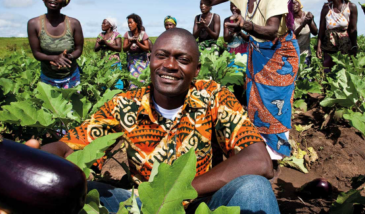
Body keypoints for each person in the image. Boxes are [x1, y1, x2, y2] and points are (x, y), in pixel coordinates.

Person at [26, 29, 279, 214]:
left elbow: (259, 160)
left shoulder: (213, 95)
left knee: (254, 187)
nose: (169, 65)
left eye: (182, 59)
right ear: (150, 61)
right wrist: (33, 161)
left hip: (202, 205)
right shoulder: (125, 104)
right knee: (76, 194)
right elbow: (70, 145)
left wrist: (174, 193)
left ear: (197, 69)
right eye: (162, 56)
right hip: (144, 207)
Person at [182, 0, 299, 163]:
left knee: (275, 106)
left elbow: (271, 30)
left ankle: (274, 160)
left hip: (280, 54)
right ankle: (261, 155)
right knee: (255, 104)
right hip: (258, 52)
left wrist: (245, 24)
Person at [28, 0, 83, 89]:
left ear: (63, 1)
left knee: (72, 106)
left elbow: (79, 49)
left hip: (71, 76)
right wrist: (54, 58)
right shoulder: (34, 24)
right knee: (51, 106)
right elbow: (36, 53)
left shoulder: (73, 23)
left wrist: (69, 57)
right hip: (48, 78)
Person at [316, 0, 358, 71]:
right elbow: (321, 28)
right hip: (329, 42)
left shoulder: (351, 7)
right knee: (327, 66)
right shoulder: (326, 8)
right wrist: (319, 46)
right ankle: (328, 85)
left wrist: (354, 46)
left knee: (344, 68)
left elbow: (352, 29)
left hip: (344, 42)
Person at [122, 13, 150, 88]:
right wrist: (131, 43)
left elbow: (147, 48)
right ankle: (133, 95)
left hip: (142, 61)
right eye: (128, 23)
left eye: (131, 22)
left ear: (136, 23)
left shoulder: (143, 34)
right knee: (133, 80)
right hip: (132, 61)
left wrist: (137, 43)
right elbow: (124, 49)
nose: (129, 25)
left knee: (143, 80)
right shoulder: (127, 34)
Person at [94, 18, 124, 89]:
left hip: (114, 62)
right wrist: (101, 44)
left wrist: (106, 43)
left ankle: (117, 96)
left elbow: (119, 48)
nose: (102, 25)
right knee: (105, 80)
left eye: (104, 23)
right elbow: (95, 49)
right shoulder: (101, 35)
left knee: (115, 80)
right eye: (102, 23)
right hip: (104, 62)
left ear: (110, 25)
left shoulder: (116, 35)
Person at [293, 0, 318, 65]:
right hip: (293, 54)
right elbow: (292, 35)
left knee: (304, 74)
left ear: (300, 4)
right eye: (291, 4)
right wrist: (302, 25)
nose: (293, 5)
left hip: (306, 54)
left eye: (295, 2)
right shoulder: (290, 19)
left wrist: (309, 22)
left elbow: (315, 32)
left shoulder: (307, 15)